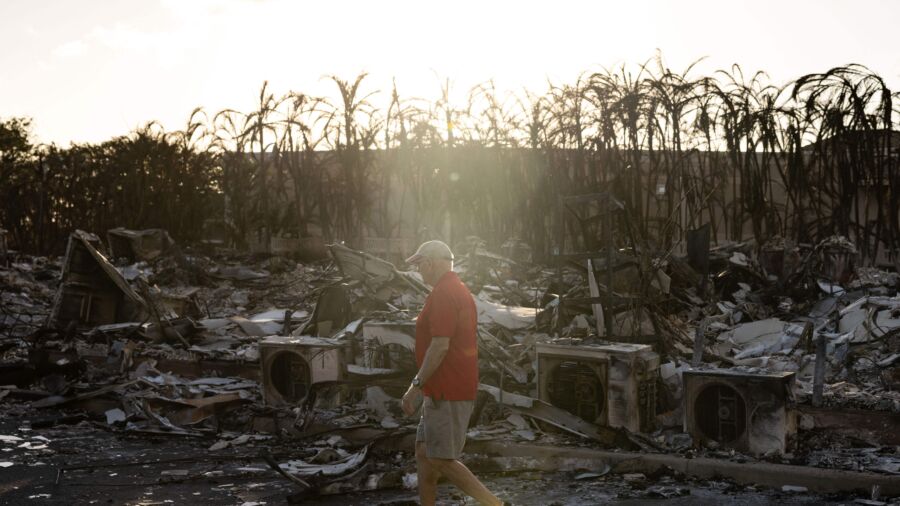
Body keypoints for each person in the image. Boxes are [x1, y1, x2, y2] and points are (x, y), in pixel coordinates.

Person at [401, 240, 502, 506]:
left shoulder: (445, 292)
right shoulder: (453, 289)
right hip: (441, 388)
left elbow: (440, 345)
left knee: (441, 459)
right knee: (424, 453)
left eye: (420, 264)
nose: (419, 271)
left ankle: (496, 505)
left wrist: (415, 385)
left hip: (448, 389)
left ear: (431, 263)